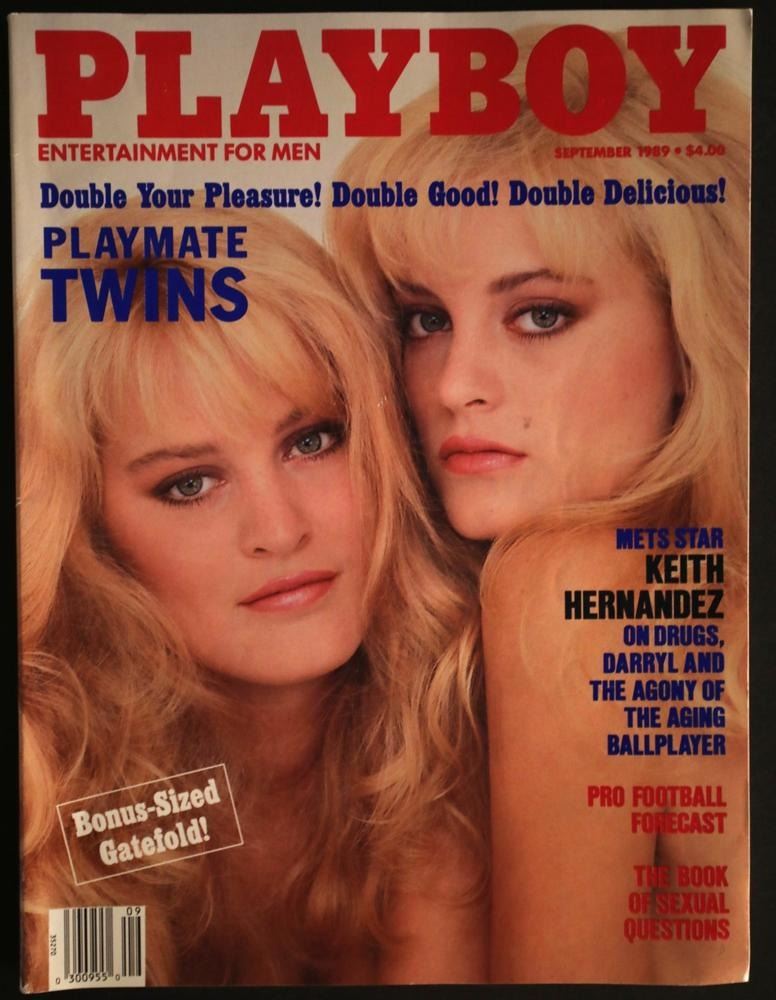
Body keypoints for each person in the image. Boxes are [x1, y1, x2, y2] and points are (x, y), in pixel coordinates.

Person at [328, 27, 748, 984]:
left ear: (691, 333)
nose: (454, 385)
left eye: (541, 314)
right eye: (424, 320)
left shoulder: (570, 585)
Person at [19, 207, 488, 988]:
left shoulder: (449, 703)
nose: (279, 530)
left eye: (312, 441)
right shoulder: (52, 778)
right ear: (90, 537)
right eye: (189, 484)